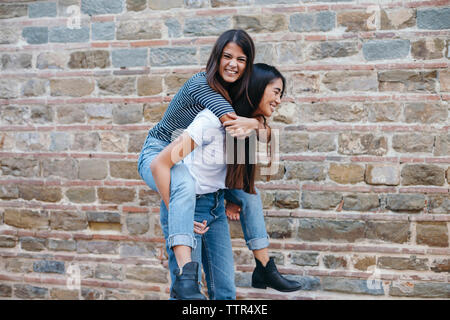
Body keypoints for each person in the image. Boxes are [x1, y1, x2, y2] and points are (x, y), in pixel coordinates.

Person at [155, 64, 302, 300]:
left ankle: (264, 267)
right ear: (256, 87)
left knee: (224, 293)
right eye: (276, 91)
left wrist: (256, 124)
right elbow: (164, 163)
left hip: (216, 206)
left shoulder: (244, 126)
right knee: (188, 294)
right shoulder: (209, 120)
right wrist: (179, 213)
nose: (279, 100)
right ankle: (265, 268)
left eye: (281, 94)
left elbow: (244, 172)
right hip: (189, 206)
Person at [138, 29, 264, 299]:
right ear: (216, 58)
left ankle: (266, 265)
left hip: (193, 169)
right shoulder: (203, 86)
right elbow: (234, 121)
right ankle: (187, 277)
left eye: (241, 59)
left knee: (250, 194)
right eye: (227, 56)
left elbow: (238, 141)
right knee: (182, 182)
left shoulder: (234, 92)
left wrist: (232, 195)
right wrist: (178, 213)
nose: (233, 64)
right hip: (159, 151)